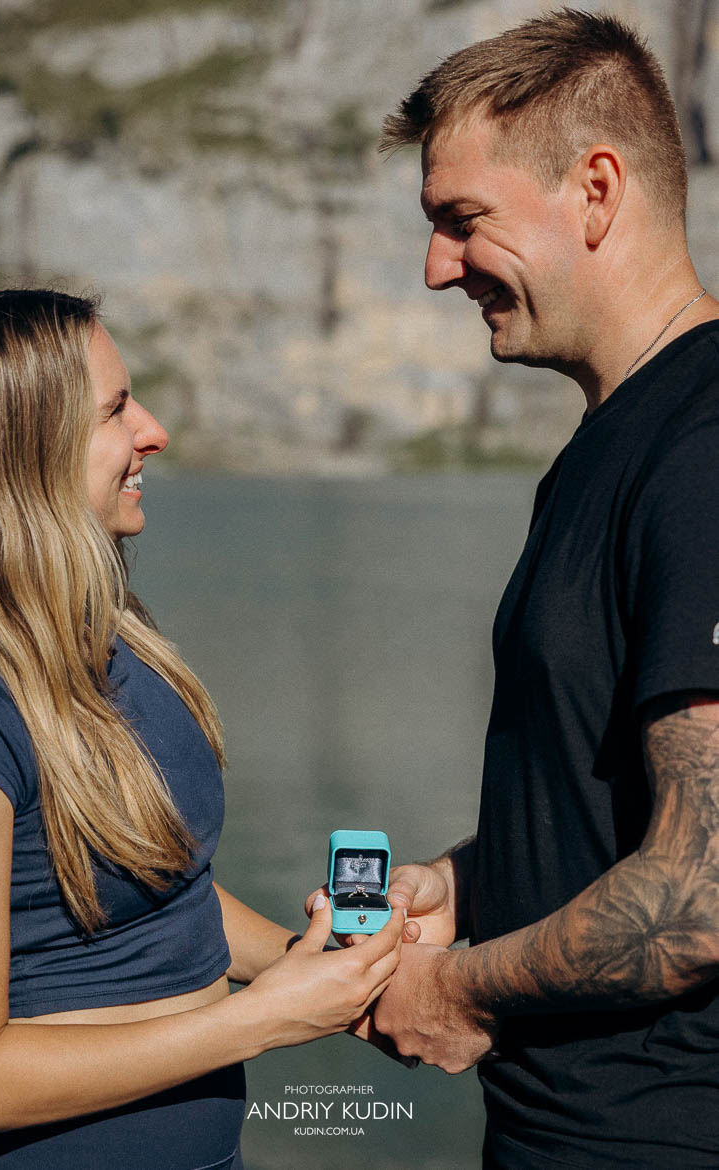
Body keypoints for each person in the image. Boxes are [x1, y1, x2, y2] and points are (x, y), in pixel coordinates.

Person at [362, 9, 719, 1169]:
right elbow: (607, 802)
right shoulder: (606, 449)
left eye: (462, 222)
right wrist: (464, 886)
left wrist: (459, 992)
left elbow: (704, 887)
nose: (436, 269)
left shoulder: (704, 447)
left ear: (597, 190)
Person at [0, 288, 405, 1170]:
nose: (153, 431)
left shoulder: (111, 642)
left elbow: (161, 893)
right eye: (116, 409)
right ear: (21, 453)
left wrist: (317, 968)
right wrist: (261, 1023)